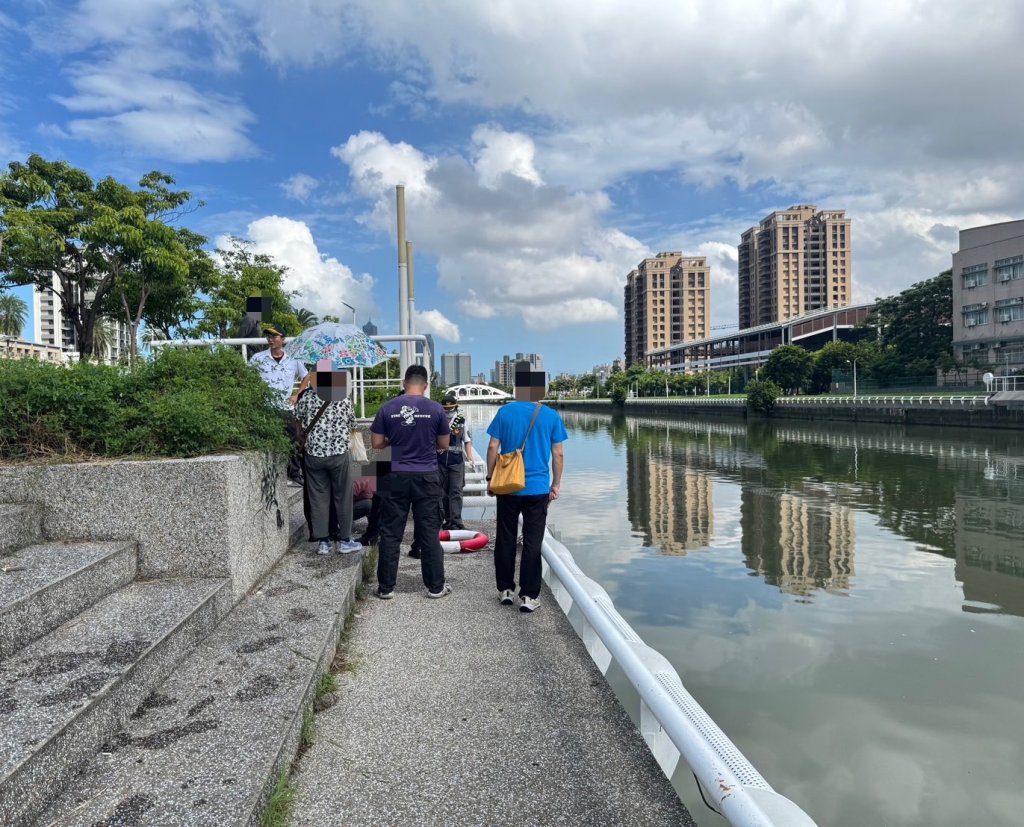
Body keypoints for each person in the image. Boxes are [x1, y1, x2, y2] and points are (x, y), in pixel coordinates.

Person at [486, 363, 567, 613]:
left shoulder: (505, 413)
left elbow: (492, 447)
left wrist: (491, 478)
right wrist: (556, 484)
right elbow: (558, 454)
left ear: (518, 388)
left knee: (506, 538)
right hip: (537, 488)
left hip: (508, 486)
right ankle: (529, 596)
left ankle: (506, 590)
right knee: (533, 541)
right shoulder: (551, 415)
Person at [370, 365, 452, 600]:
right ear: (425, 386)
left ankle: (386, 588)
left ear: (404, 383)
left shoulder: (387, 408)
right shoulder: (436, 410)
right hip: (426, 476)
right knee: (428, 532)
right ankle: (435, 587)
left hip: (395, 474)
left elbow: (376, 444)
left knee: (391, 532)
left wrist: (392, 441)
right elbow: (444, 444)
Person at [294, 362, 361, 555]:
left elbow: (298, 421)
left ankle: (323, 542)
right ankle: (345, 540)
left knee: (318, 499)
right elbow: (352, 423)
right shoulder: (343, 398)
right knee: (343, 497)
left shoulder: (305, 398)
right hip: (339, 454)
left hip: (313, 455)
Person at [248, 323, 307, 485]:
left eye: (274, 336)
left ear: (283, 339)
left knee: (296, 438)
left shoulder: (294, 359)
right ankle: (269, 475)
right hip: (265, 408)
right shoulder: (257, 358)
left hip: (285, 407)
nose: (270, 339)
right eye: (269, 336)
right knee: (266, 441)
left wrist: (297, 395)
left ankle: (293, 472)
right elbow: (247, 378)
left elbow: (306, 377)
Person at [438, 392, 476, 531]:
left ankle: (456, 520)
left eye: (450, 409)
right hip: (440, 460)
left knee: (456, 491)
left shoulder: (461, 421)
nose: (448, 411)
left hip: (456, 459)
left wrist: (470, 456)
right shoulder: (438, 420)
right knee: (442, 492)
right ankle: (446, 519)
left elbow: (467, 440)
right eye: (445, 409)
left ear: (455, 407)